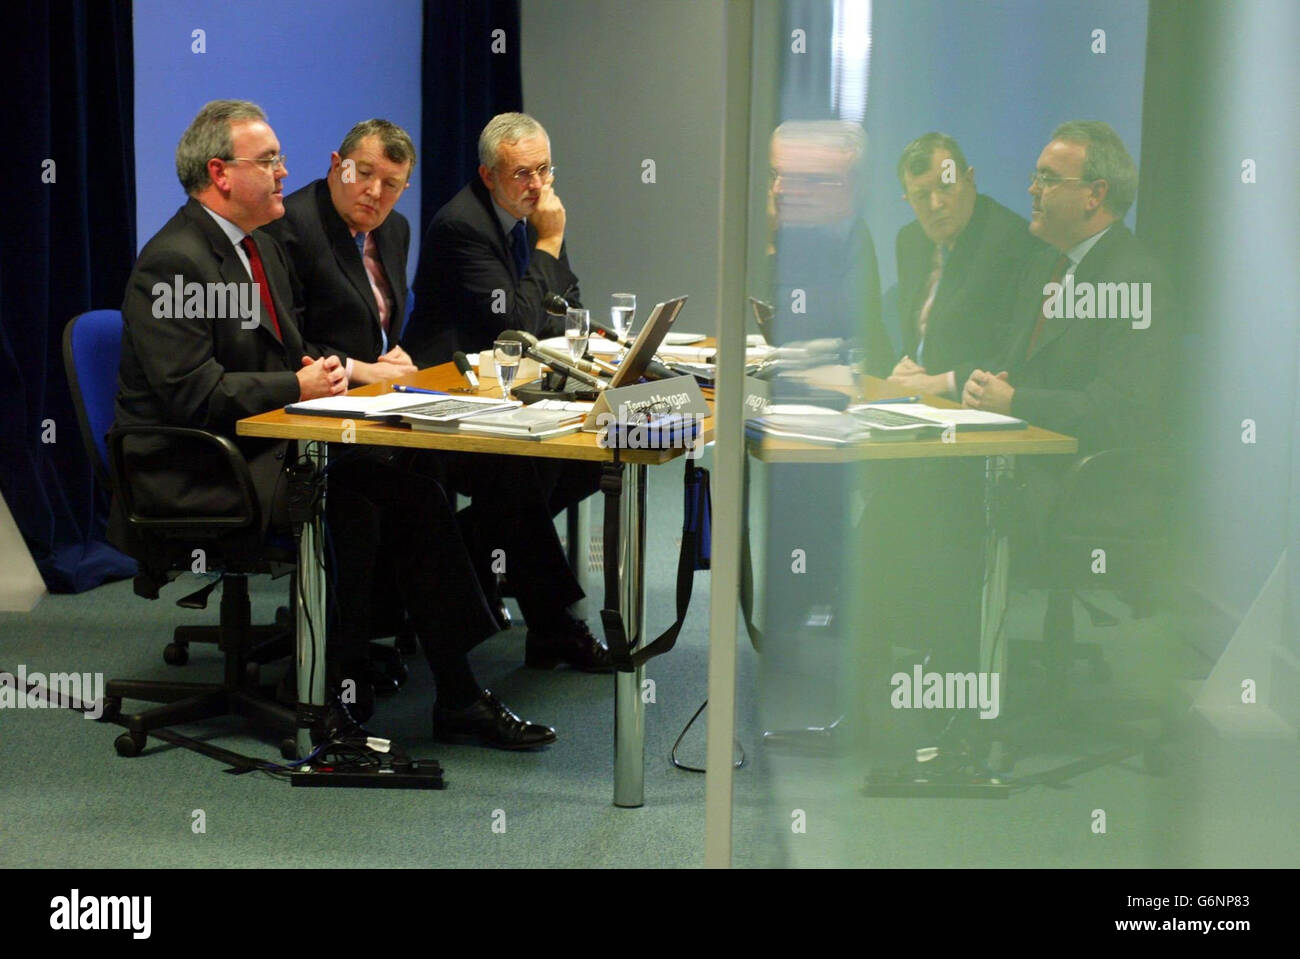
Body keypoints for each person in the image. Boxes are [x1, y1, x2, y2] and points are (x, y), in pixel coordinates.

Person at [112, 100, 555, 749]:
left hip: (260, 444)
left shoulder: (249, 247)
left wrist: (334, 377)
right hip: (194, 468)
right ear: (221, 174)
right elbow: (191, 394)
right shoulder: (176, 261)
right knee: (355, 505)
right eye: (267, 162)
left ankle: (455, 691)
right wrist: (300, 383)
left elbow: (275, 355)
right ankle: (332, 702)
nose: (283, 173)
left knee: (414, 492)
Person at [262, 117, 610, 672]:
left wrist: (389, 356)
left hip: (399, 392)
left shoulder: (394, 230)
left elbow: (563, 303)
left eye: (392, 182)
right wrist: (364, 368)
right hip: (320, 421)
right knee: (500, 476)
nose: (537, 186)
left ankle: (507, 602)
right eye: (364, 174)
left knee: (569, 466)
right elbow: (290, 346)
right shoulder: (296, 228)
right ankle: (504, 629)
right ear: (337, 165)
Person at [961, 120, 1174, 548]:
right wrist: (987, 385)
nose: (1032, 190)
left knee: (932, 501)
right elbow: (1013, 361)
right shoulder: (1045, 263)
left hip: (1085, 482)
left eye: (1048, 179)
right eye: (1035, 177)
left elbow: (1120, 414)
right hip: (1026, 459)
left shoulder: (1135, 280)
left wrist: (1016, 401)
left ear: (1094, 195)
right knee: (911, 479)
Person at [888, 132, 1046, 397]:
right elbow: (919, 336)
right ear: (908, 201)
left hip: (973, 402)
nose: (936, 204)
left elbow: (1014, 354)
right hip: (916, 396)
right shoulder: (910, 241)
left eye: (946, 187)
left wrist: (942, 383)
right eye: (921, 195)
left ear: (970, 180)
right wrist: (905, 366)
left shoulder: (1013, 243)